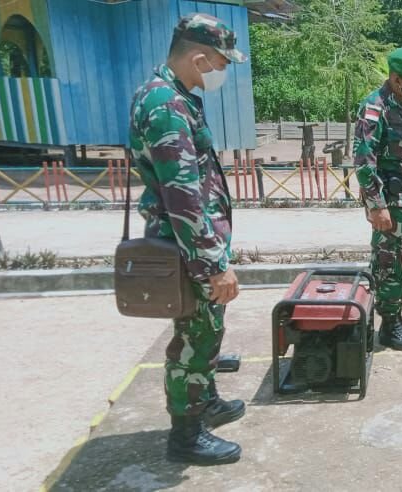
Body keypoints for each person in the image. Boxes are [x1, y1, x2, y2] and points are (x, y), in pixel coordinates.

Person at [129, 13, 247, 465]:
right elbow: (182, 197)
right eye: (221, 63)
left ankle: (206, 400)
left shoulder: (174, 95)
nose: (222, 72)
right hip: (189, 247)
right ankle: (186, 435)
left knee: (206, 328)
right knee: (194, 340)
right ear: (199, 59)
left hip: (195, 243)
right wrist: (213, 266)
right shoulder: (165, 106)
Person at [353, 47, 402, 352]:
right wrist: (376, 205)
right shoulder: (374, 107)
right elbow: (364, 160)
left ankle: (397, 313)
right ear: (397, 78)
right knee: (388, 262)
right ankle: (389, 324)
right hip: (389, 202)